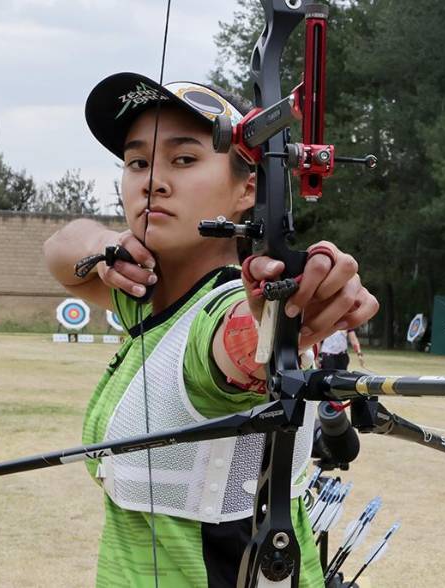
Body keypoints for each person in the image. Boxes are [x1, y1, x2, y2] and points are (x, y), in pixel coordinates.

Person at [43, 73, 378, 588]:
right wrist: (108, 244)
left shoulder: (217, 308)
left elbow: (237, 346)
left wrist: (289, 317)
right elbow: (61, 249)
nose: (152, 180)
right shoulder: (143, 294)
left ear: (249, 188)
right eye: (137, 162)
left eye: (184, 159)